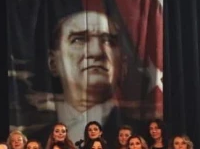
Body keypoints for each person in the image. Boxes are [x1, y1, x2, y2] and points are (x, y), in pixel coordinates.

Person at [47, 11, 135, 141]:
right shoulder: (37, 139)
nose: (96, 52)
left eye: (108, 41)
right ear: (53, 63)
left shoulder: (137, 134)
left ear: (123, 65)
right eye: (79, 40)